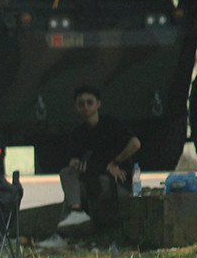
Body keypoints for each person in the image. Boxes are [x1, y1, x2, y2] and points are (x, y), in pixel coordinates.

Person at [53, 85, 141, 230]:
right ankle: (72, 219)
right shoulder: (78, 133)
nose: (85, 107)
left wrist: (114, 163)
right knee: (69, 180)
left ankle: (66, 229)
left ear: (98, 104)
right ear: (76, 107)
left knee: (72, 191)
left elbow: (135, 144)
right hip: (94, 180)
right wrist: (75, 163)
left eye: (89, 102)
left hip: (117, 183)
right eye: (81, 104)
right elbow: (78, 160)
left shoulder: (111, 124)